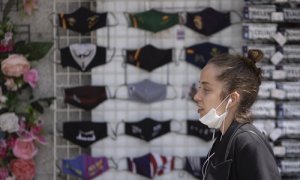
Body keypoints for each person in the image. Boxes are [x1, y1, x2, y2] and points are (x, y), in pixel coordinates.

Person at [193, 50, 281, 180]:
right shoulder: (223, 139)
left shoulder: (248, 143)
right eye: (199, 87)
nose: (196, 96)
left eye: (206, 89)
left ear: (232, 99)